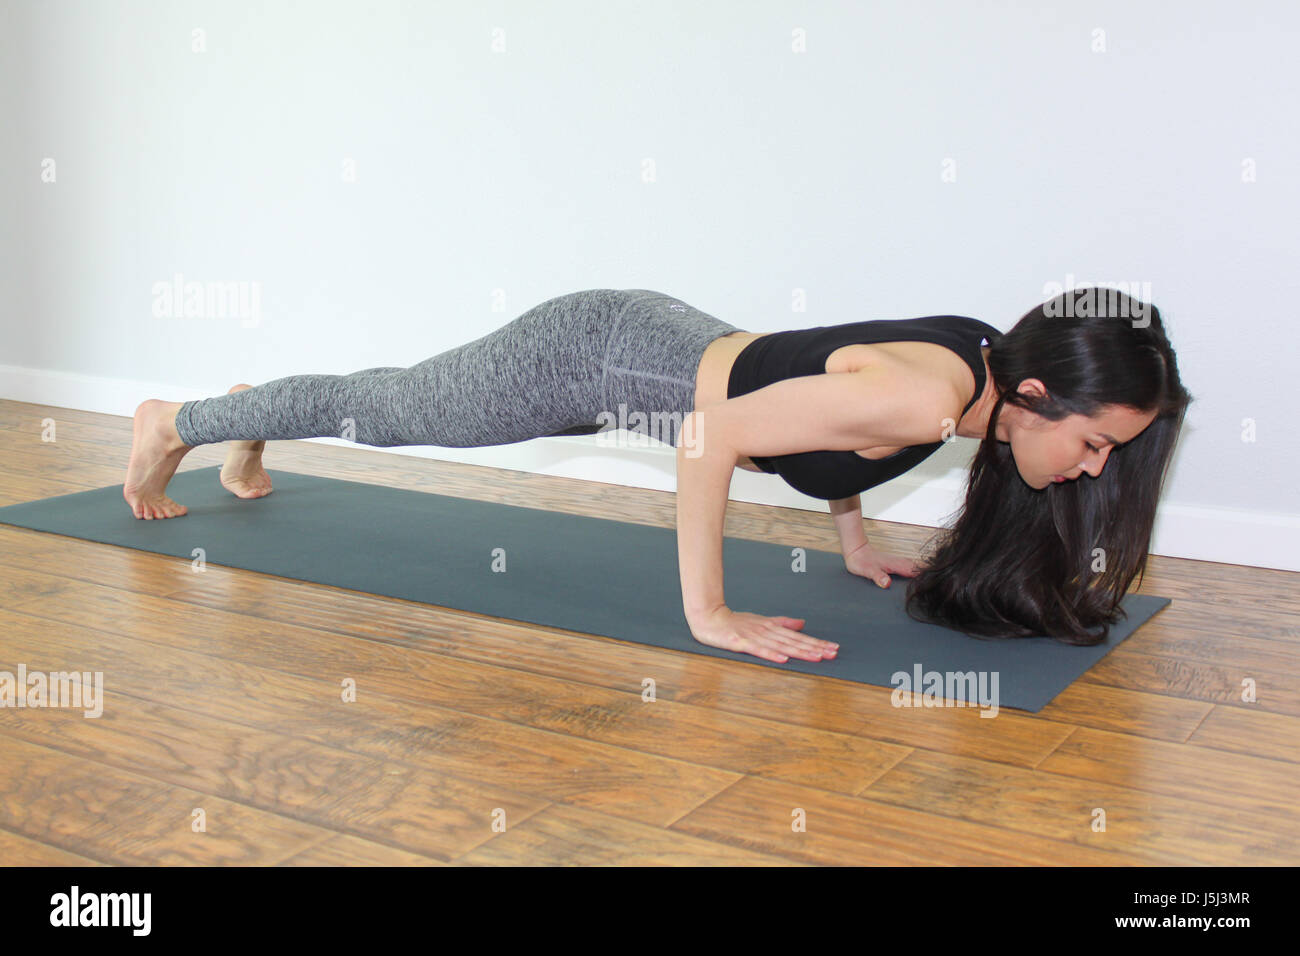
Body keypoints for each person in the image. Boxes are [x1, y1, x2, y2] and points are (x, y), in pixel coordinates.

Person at [123, 286, 1191, 662]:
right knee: (402, 412)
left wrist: (855, 540)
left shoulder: (978, 373)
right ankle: (180, 416)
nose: (1093, 467)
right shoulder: (928, 396)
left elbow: (820, 414)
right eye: (1098, 442)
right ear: (1041, 395)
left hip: (660, 346)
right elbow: (710, 438)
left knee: (393, 399)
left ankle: (246, 408)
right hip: (600, 353)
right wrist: (711, 611)